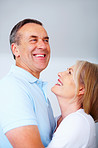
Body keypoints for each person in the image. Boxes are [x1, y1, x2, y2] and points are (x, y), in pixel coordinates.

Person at [0, 19, 56, 148]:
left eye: (46, 40)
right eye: (33, 40)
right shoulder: (12, 87)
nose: (43, 46)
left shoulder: (35, 87)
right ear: (16, 50)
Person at [46, 60, 98, 148]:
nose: (60, 73)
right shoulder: (57, 120)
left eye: (69, 73)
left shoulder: (78, 121)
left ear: (81, 89)